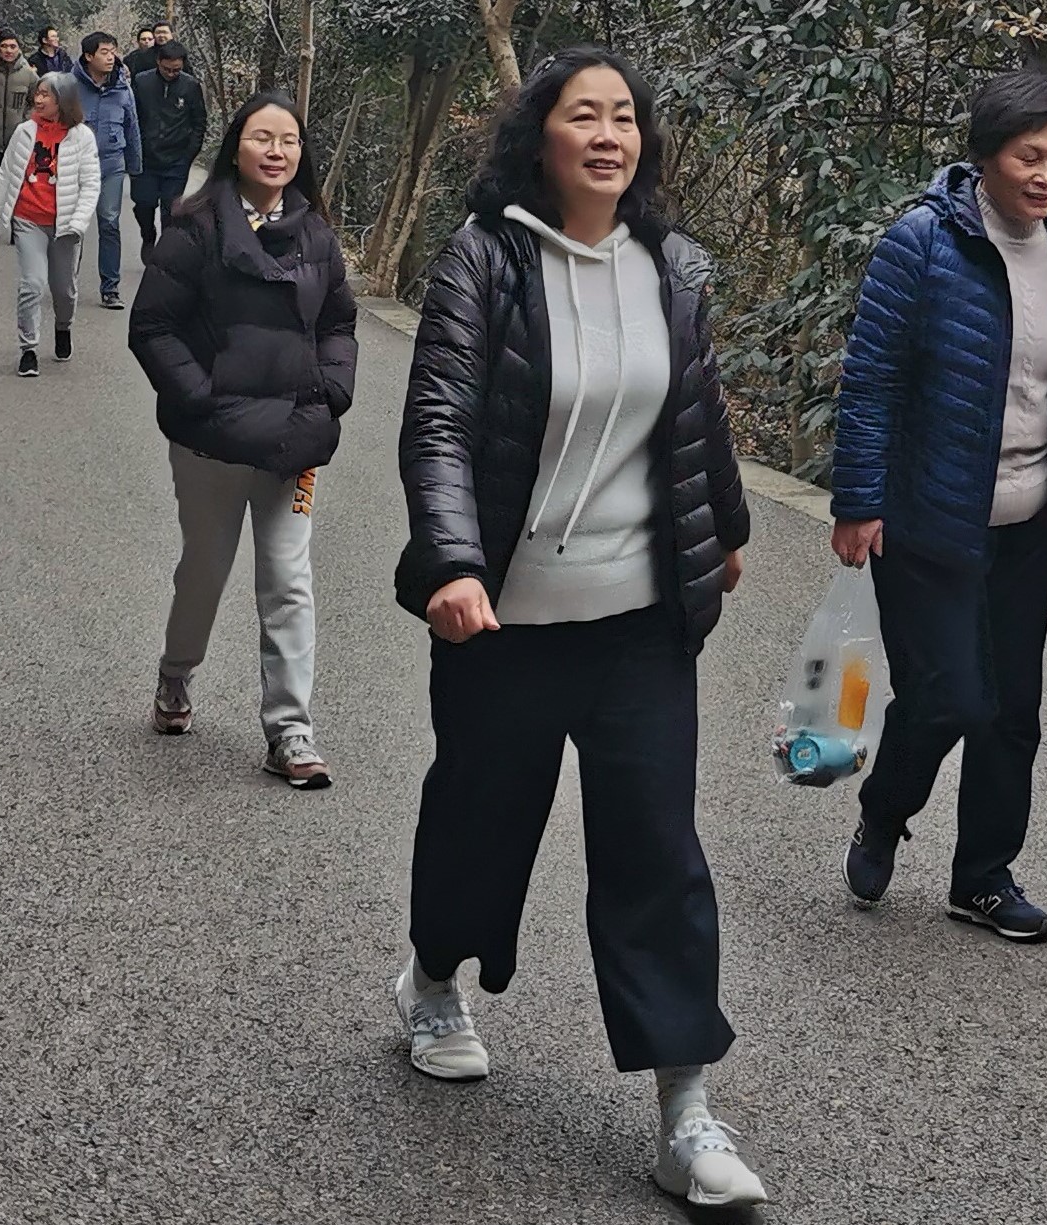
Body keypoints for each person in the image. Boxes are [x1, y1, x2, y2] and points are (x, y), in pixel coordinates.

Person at [390, 47, 766, 1208]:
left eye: (623, 118)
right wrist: (452, 560)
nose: (607, 135)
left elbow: (695, 412)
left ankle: (684, 1112)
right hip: (505, 616)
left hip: (640, 619)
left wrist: (727, 527)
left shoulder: (671, 265)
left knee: (657, 850)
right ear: (538, 136)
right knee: (480, 818)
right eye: (582, 115)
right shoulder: (485, 257)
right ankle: (433, 980)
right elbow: (439, 418)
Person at [832, 70, 1047, 942]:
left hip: (1028, 521)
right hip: (928, 516)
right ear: (985, 158)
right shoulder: (921, 244)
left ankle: (982, 878)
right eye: (1029, 157)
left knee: (1011, 709)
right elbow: (870, 382)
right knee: (948, 697)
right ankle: (884, 810)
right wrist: (858, 500)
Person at [128, 91, 357, 789]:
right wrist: (202, 399)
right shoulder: (194, 227)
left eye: (289, 140)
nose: (276, 151)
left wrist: (331, 392)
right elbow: (153, 327)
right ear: (237, 146)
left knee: (288, 579)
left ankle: (290, 730)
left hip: (293, 439)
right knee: (206, 567)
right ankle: (176, 675)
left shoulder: (316, 234)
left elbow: (339, 324)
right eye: (263, 137)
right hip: (211, 440)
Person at [0, 74, 100, 376]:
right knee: (32, 284)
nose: (39, 99)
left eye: (47, 94)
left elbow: (90, 184)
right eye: (38, 93)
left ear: (63, 100)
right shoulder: (24, 132)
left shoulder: (82, 137)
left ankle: (63, 327)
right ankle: (28, 349)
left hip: (65, 225)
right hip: (28, 219)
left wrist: (78, 222)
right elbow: (6, 174)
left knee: (64, 290)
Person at [72, 31, 142, 310]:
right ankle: (67, 284)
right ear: (89, 56)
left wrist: (135, 165)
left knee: (110, 224)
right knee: (73, 226)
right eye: (104, 52)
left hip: (112, 164)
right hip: (76, 166)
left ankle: (110, 288)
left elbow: (132, 126)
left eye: (113, 51)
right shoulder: (70, 86)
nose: (110, 57)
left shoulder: (122, 88)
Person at [131, 40, 205, 257]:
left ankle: (164, 253)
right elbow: (132, 118)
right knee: (144, 204)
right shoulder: (142, 82)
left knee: (170, 211)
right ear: (158, 62)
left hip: (177, 159)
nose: (171, 74)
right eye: (167, 69)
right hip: (146, 159)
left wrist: (189, 154)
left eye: (176, 70)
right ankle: (148, 235)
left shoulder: (190, 86)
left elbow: (199, 122)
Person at [0, 29, 39, 201]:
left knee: (17, 185)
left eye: (13, 46)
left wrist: (26, 121)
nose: (8, 50)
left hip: (18, 140)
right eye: (4, 46)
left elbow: (36, 102)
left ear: (19, 48)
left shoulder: (28, 74)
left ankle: (14, 219)